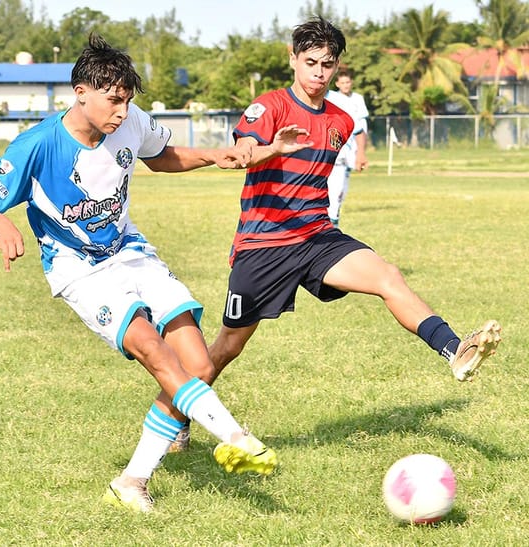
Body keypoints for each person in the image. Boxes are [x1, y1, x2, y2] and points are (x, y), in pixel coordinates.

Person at [0, 33, 287, 513]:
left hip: (129, 249)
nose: (120, 111)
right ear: (80, 92)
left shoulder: (129, 121)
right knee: (153, 350)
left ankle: (131, 481)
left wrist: (215, 155)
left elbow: (162, 156)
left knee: (197, 364)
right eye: (112, 100)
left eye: (127, 100)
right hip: (78, 267)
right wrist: (2, 223)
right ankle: (235, 435)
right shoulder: (39, 144)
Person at [170, 16, 502, 453]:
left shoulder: (341, 120)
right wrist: (273, 147)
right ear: (292, 59)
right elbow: (240, 155)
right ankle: (176, 418)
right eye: (310, 62)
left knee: (388, 277)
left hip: (317, 237)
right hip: (263, 246)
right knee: (229, 345)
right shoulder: (268, 107)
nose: (319, 73)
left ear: (337, 65)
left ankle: (455, 349)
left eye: (327, 64)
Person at [325, 67, 369, 227]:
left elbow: (360, 128)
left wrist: (361, 153)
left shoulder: (347, 102)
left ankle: (331, 232)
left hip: (342, 153)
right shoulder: (305, 98)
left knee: (337, 195)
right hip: (315, 158)